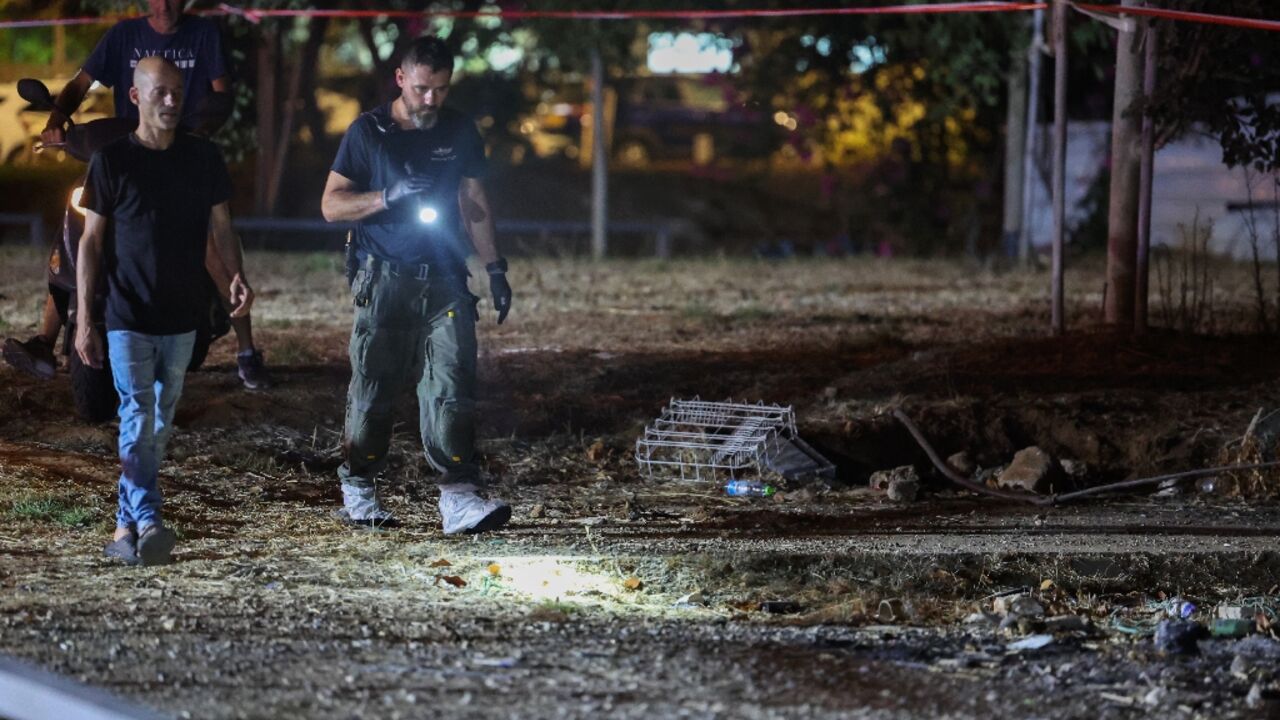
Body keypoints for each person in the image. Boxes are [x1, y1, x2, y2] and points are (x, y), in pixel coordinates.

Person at [2, 0, 271, 390]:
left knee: (214, 244)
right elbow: (81, 84)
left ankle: (246, 350)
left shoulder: (203, 34)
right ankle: (45, 339)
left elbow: (220, 94)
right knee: (78, 231)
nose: (165, 4)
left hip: (185, 152)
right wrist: (58, 118)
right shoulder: (123, 36)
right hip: (129, 156)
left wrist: (196, 130)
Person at [320, 36, 513, 534]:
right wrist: (386, 196)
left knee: (453, 384)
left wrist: (494, 267)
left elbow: (474, 199)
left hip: (448, 278)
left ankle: (459, 497)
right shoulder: (368, 132)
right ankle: (359, 489)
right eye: (423, 88)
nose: (432, 100)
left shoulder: (460, 130)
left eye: (442, 90)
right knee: (373, 390)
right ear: (401, 79)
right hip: (384, 277)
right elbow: (331, 205)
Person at [76, 57, 253, 566]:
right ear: (136, 97)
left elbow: (223, 227)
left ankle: (123, 528)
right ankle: (151, 517)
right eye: (161, 93)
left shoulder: (203, 158)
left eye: (178, 92)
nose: (172, 102)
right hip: (127, 315)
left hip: (182, 316)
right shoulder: (111, 162)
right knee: (137, 415)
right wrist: (87, 319)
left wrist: (235, 278)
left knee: (157, 423)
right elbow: (90, 243)